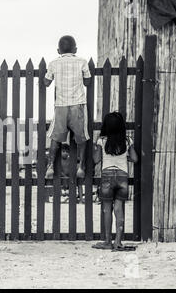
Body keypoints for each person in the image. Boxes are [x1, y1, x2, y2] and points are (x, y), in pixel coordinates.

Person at [44, 35, 92, 180]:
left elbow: (46, 83)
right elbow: (88, 82)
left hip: (61, 106)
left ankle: (50, 166)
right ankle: (81, 167)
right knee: (82, 137)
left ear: (58, 50)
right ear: (75, 49)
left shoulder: (53, 63)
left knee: (55, 137)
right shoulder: (82, 62)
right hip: (78, 105)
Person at [92, 112, 138, 251]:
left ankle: (107, 241)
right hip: (122, 177)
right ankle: (118, 242)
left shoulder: (102, 141)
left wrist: (95, 145)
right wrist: (126, 159)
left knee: (107, 209)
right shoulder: (127, 140)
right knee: (118, 209)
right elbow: (135, 159)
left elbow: (96, 160)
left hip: (107, 176)